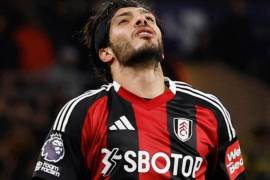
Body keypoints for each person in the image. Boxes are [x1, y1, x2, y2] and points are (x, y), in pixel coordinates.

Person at [32, 0, 246, 179]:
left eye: (149, 19)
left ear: (161, 51)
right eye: (124, 20)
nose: (143, 20)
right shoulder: (81, 112)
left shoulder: (209, 110)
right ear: (106, 52)